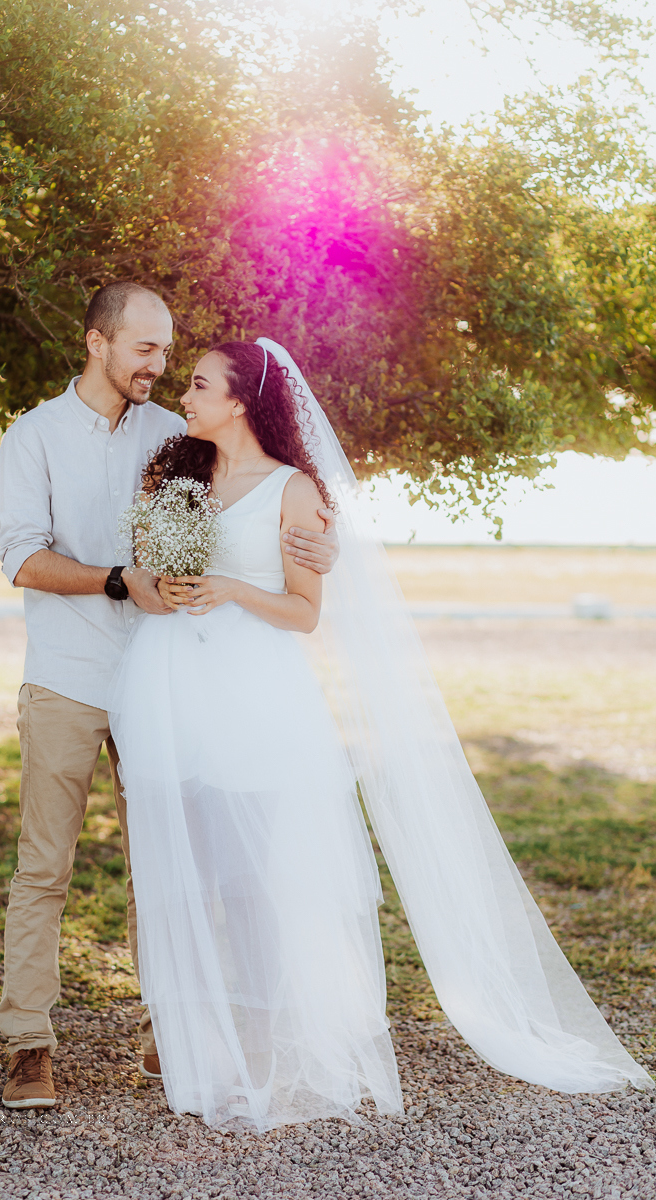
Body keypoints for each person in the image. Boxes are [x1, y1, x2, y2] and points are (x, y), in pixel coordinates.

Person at [108, 338, 653, 1131]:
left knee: (258, 878)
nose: (184, 396)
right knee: (184, 872)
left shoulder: (295, 493)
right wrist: (167, 575)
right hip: (169, 685)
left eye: (198, 384)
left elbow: (304, 612)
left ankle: (263, 1056)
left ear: (240, 402)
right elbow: (152, 570)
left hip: (255, 694)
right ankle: (196, 1053)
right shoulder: (176, 476)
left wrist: (228, 588)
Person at [0, 286, 339, 1110]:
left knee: (167, 866)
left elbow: (264, 502)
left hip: (165, 682)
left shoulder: (178, 435)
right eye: (145, 350)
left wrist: (326, 541)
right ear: (95, 343)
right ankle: (26, 1043)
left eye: (166, 352)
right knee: (44, 865)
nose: (160, 366)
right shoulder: (33, 436)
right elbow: (22, 558)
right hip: (68, 676)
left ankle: (168, 1023)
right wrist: (121, 580)